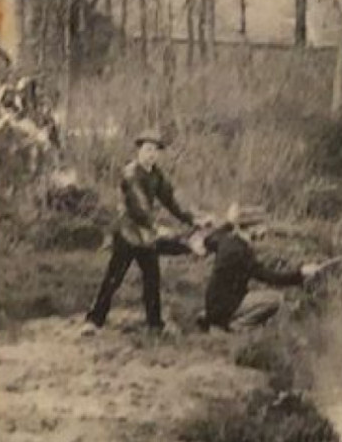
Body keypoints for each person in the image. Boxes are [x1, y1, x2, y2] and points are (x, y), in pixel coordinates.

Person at [86, 132, 197, 332]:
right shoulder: (130, 173)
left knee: (152, 277)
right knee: (114, 277)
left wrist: (189, 218)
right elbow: (140, 205)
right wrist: (155, 226)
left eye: (155, 150)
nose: (151, 155)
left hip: (146, 236)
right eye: (147, 149)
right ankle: (94, 320)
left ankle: (154, 324)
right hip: (128, 232)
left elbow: (169, 200)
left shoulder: (156, 174)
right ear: (139, 151)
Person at [193, 216, 320, 332]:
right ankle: (237, 326)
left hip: (212, 301)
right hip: (225, 305)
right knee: (275, 299)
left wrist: (229, 223)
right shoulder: (242, 253)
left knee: (243, 294)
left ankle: (210, 316)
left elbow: (210, 238)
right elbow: (270, 277)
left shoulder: (226, 240)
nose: (261, 235)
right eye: (259, 231)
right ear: (249, 231)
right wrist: (301, 274)